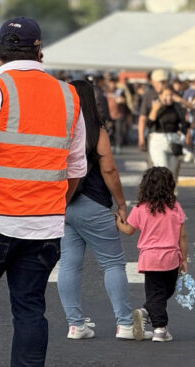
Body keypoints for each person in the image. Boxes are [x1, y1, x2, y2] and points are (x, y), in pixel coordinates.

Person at [0, 17, 88, 367]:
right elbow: (76, 168)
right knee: (30, 308)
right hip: (44, 225)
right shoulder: (69, 95)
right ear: (40, 52)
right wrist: (55, 205)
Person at [56, 80, 142, 341]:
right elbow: (109, 170)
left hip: (63, 202)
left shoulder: (58, 126)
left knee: (69, 265)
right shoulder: (95, 129)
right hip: (93, 201)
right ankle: (125, 323)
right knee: (113, 263)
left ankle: (75, 324)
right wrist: (122, 203)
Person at [117, 166, 188, 343]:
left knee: (157, 293)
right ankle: (160, 327)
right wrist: (184, 259)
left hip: (150, 259)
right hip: (171, 258)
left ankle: (148, 315)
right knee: (166, 290)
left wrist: (118, 223)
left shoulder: (140, 208)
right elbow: (183, 236)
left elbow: (129, 230)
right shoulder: (175, 207)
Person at [146, 87, 190, 182]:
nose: (169, 98)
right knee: (162, 170)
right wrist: (155, 109)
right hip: (159, 140)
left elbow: (185, 123)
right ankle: (161, 190)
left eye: (171, 95)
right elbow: (149, 124)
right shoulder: (156, 106)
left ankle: (170, 191)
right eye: (166, 95)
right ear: (160, 96)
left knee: (172, 174)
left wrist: (184, 134)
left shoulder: (177, 107)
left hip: (174, 140)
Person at [137, 69, 169, 155]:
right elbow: (142, 117)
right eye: (158, 82)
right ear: (153, 82)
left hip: (172, 136)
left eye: (163, 82)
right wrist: (141, 138)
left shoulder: (173, 94)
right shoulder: (149, 95)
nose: (161, 85)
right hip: (154, 135)